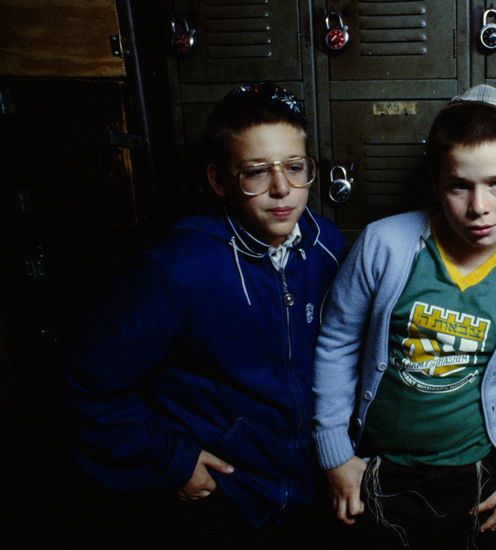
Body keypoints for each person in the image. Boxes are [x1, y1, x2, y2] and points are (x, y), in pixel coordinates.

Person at [51, 82, 345, 549]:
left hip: (310, 490)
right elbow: (83, 380)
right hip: (225, 496)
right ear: (219, 180)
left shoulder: (327, 244)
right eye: (255, 172)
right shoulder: (177, 269)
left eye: (295, 167)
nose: (282, 188)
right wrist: (170, 460)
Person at [312, 85, 496, 549]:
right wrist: (334, 454)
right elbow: (337, 342)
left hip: (476, 475)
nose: (479, 207)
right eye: (459, 186)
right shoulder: (384, 244)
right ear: (435, 182)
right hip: (377, 467)